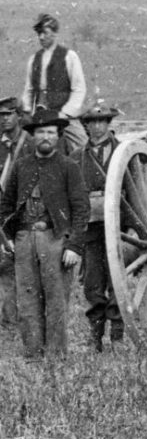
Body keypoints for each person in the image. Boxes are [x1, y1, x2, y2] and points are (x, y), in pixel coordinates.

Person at [0, 109, 90, 358]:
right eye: (41, 132)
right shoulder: (21, 166)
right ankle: (32, 354)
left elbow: (81, 209)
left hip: (55, 239)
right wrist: (7, 239)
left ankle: (56, 356)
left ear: (58, 136)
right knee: (27, 299)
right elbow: (6, 206)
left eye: (51, 132)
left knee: (56, 298)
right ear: (33, 136)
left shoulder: (69, 167)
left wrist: (74, 246)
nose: (46, 137)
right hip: (24, 240)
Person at [70, 104, 123, 352]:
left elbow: (134, 192)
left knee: (117, 280)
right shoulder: (76, 157)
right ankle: (95, 335)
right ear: (86, 126)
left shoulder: (123, 151)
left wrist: (133, 229)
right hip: (89, 226)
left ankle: (117, 335)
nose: (98, 127)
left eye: (102, 122)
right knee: (92, 282)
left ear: (109, 124)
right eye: (92, 122)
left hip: (118, 225)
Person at [21, 13, 87, 152]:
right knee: (23, 147)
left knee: (82, 146)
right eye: (39, 33)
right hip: (41, 115)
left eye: (45, 33)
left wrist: (66, 113)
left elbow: (79, 89)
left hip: (63, 115)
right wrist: (27, 109)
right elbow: (29, 89)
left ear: (55, 33)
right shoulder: (34, 59)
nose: (41, 37)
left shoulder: (69, 57)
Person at [0, 97, 34, 329]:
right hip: (2, 212)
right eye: (1, 116)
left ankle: (21, 321)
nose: (4, 119)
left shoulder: (30, 143)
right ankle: (8, 321)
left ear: (19, 116)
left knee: (23, 270)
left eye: (8, 114)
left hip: (22, 213)